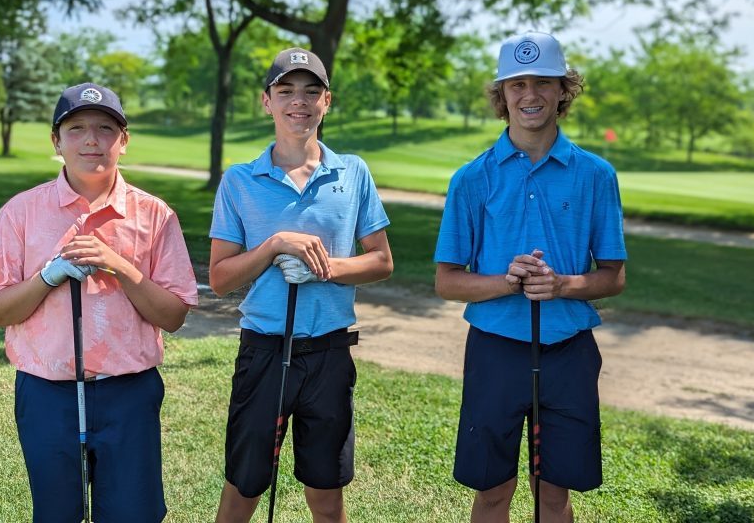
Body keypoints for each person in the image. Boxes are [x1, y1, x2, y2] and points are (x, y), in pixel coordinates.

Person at [0, 82, 198, 522]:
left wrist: (119, 265)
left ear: (124, 140)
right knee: (57, 514)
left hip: (128, 393)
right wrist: (47, 276)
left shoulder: (155, 214)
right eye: (76, 129)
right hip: (46, 393)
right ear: (56, 141)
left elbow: (174, 316)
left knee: (133, 515)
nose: (91, 140)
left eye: (105, 129)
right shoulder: (20, 211)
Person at [434, 32, 627, 523]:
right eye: (517, 84)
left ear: (564, 90)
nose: (530, 95)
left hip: (568, 352)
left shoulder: (596, 175)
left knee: (554, 495)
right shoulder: (471, 178)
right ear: (503, 95)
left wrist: (563, 286)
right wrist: (505, 282)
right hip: (495, 350)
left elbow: (613, 277)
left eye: (543, 82)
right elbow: (447, 281)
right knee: (492, 492)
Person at [209, 47, 393, 523]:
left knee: (327, 495)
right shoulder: (239, 180)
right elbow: (221, 278)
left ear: (326, 102)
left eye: (312, 92)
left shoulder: (353, 172)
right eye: (286, 91)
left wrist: (324, 268)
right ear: (266, 101)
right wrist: (272, 247)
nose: (299, 102)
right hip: (264, 352)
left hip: (330, 353)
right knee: (243, 487)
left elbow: (381, 261)